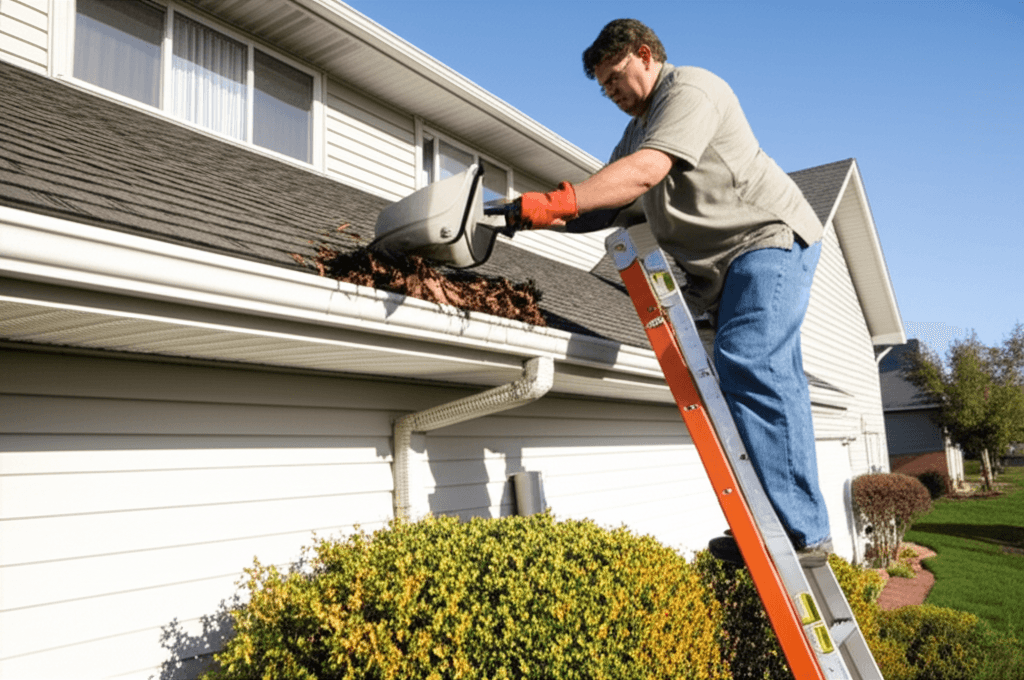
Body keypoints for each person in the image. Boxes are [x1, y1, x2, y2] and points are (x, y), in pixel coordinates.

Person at [505, 18, 832, 566]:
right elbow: (605, 205)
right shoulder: (638, 131)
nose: (611, 92)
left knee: (751, 362)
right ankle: (769, 518)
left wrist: (561, 200)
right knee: (749, 380)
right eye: (603, 88)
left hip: (766, 239)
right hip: (723, 269)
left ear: (644, 54)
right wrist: (527, 215)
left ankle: (802, 530)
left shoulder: (691, 90)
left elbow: (643, 173)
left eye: (615, 77)